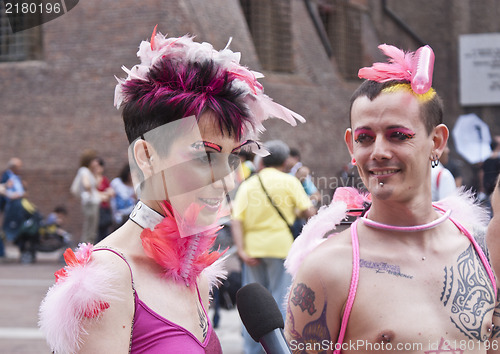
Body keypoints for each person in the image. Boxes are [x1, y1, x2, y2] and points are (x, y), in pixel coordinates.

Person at [39, 28, 305, 354]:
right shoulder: (104, 280)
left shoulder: (196, 272)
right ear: (147, 157)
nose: (227, 180)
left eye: (232, 156)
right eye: (206, 155)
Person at [285, 44, 499, 353]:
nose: (379, 152)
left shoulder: (482, 250)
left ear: (436, 141)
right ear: (350, 145)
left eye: (398, 135)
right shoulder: (327, 270)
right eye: (365, 138)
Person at [232, 139, 316, 354]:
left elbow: (236, 219)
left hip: (253, 250)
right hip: (281, 249)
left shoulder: (249, 184)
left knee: (252, 307)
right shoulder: (290, 182)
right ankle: (280, 349)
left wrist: (241, 250)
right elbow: (310, 212)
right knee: (280, 301)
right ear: (285, 160)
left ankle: (252, 350)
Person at [70, 150, 102, 244]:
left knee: (91, 229)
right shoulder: (84, 171)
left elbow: (97, 186)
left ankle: (87, 249)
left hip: (92, 203)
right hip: (90, 203)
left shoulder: (89, 172)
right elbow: (87, 185)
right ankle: (85, 251)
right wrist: (90, 191)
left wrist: (96, 173)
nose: (96, 163)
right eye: (94, 160)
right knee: (90, 229)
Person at [1, 158, 27, 243]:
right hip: (11, 205)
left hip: (19, 203)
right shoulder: (6, 176)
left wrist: (24, 191)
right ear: (13, 167)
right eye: (19, 167)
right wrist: (11, 195)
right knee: (9, 226)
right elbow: (2, 189)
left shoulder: (18, 177)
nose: (20, 169)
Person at [94, 157, 115, 242]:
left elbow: (111, 193)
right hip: (96, 208)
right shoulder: (91, 179)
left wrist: (103, 195)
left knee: (105, 232)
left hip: (104, 209)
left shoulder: (104, 179)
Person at [110, 164, 136, 229]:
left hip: (130, 214)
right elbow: (111, 195)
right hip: (118, 214)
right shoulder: (117, 183)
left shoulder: (136, 185)